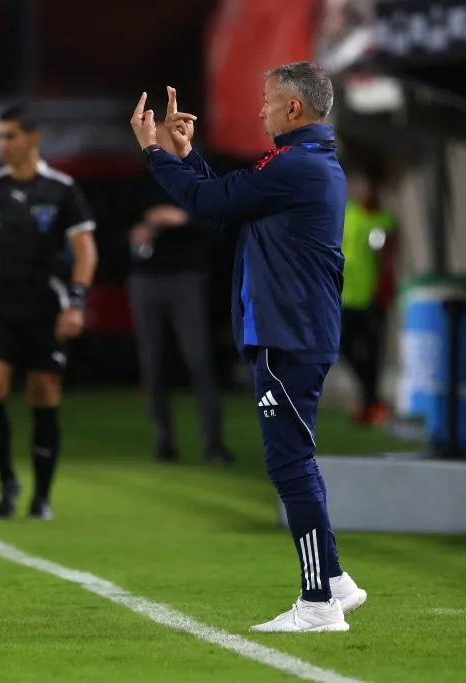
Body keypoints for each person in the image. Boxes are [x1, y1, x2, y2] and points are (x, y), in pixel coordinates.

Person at [130, 63, 367, 632]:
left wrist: (156, 152)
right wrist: (187, 157)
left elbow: (210, 204)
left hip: (289, 333)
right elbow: (226, 207)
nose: (258, 111)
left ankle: (317, 605)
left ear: (293, 109)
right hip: (295, 330)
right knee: (292, 459)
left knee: (290, 463)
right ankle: (335, 581)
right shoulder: (303, 164)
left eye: (265, 100)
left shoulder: (296, 165)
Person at [0, 104, 98, 521]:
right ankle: (6, 481)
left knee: (43, 394)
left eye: (9, 136)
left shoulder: (62, 189)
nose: (2, 144)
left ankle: (42, 495)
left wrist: (76, 302)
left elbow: (85, 250)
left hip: (46, 306)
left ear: (33, 139)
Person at [128, 192, 232, 464]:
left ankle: (213, 444)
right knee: (152, 363)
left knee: (199, 360)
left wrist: (183, 219)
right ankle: (164, 443)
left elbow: (221, 227)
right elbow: (109, 230)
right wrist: (135, 234)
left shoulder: (194, 177)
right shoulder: (137, 183)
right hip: (145, 280)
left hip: (188, 278)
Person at [340, 168, 397, 425]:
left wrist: (385, 291)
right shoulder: (348, 215)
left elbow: (388, 260)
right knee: (341, 345)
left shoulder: (385, 221)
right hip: (346, 296)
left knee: (373, 354)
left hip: (373, 297)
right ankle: (371, 398)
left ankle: (369, 405)